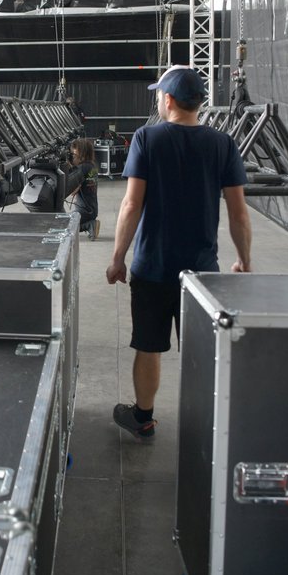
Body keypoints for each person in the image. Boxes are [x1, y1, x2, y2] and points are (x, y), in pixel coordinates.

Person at [105, 66, 252, 440]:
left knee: (148, 346)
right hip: (202, 272)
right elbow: (238, 212)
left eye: (159, 94)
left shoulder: (147, 138)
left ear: (168, 100)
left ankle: (143, 418)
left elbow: (131, 204)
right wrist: (244, 260)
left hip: (153, 268)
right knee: (202, 350)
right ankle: (209, 427)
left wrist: (118, 258)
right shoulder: (223, 144)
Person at [68, 137, 100, 240]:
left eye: (74, 155)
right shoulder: (92, 166)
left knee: (61, 225)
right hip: (91, 210)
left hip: (82, 212)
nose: (72, 157)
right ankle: (90, 223)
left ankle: (89, 225)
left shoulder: (81, 168)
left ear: (82, 154)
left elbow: (72, 191)